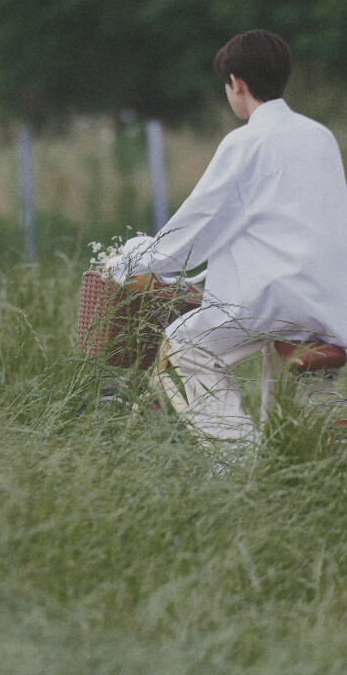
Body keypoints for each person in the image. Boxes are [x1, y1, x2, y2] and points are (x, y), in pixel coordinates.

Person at [106, 29, 347, 445]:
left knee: (184, 348)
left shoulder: (246, 143)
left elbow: (194, 229)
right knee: (310, 409)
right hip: (328, 301)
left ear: (237, 83)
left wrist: (130, 260)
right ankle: (312, 469)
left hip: (271, 298)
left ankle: (237, 465)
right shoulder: (320, 138)